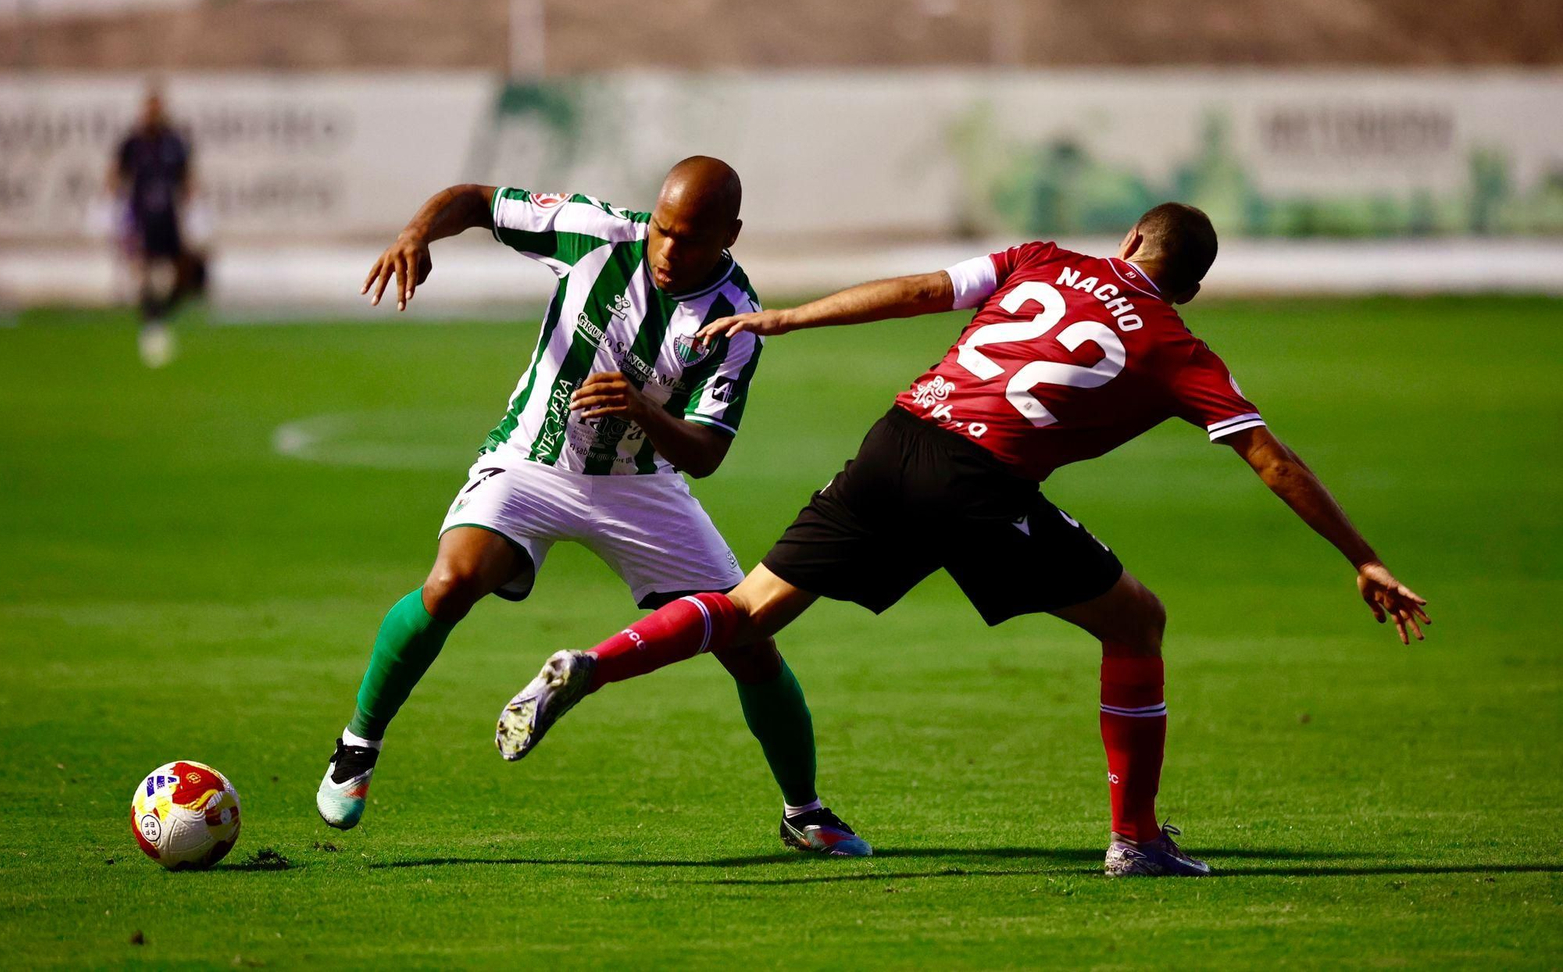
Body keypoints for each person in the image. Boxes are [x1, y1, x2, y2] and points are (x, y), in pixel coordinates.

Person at [496, 202, 1430, 877]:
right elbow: (1269, 457)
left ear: (1132, 241)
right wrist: (1364, 556)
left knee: (746, 611)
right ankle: (1136, 838)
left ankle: (594, 662)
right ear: (1187, 284)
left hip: (897, 436)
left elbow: (918, 289)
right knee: (1137, 620)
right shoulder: (1175, 344)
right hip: (980, 483)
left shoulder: (1045, 258)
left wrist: (786, 315)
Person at [318, 157, 870, 857]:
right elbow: (478, 200)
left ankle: (805, 812)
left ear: (731, 233)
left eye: (691, 239)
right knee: (452, 581)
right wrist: (418, 231)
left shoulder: (736, 318)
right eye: (664, 230)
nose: (669, 251)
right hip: (533, 459)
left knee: (749, 639)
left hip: (641, 485)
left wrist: (640, 407)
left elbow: (705, 453)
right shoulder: (597, 232)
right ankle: (358, 745)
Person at [110, 87, 195, 367]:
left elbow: (187, 176)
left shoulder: (173, 141)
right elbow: (116, 173)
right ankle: (150, 318)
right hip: (141, 214)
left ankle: (159, 312)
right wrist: (116, 204)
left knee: (176, 268)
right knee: (144, 266)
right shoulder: (133, 142)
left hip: (168, 214)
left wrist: (191, 204)